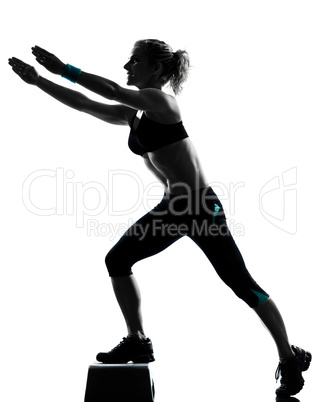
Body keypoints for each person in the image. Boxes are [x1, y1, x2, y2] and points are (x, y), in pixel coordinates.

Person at [9, 39, 311, 397]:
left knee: (241, 283)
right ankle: (137, 340)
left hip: (200, 207)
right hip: (173, 207)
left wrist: (64, 69)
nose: (127, 65)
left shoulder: (162, 103)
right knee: (118, 259)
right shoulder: (132, 114)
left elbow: (111, 89)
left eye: (135, 60)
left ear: (155, 69)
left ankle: (288, 357)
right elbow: (88, 104)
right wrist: (40, 82)